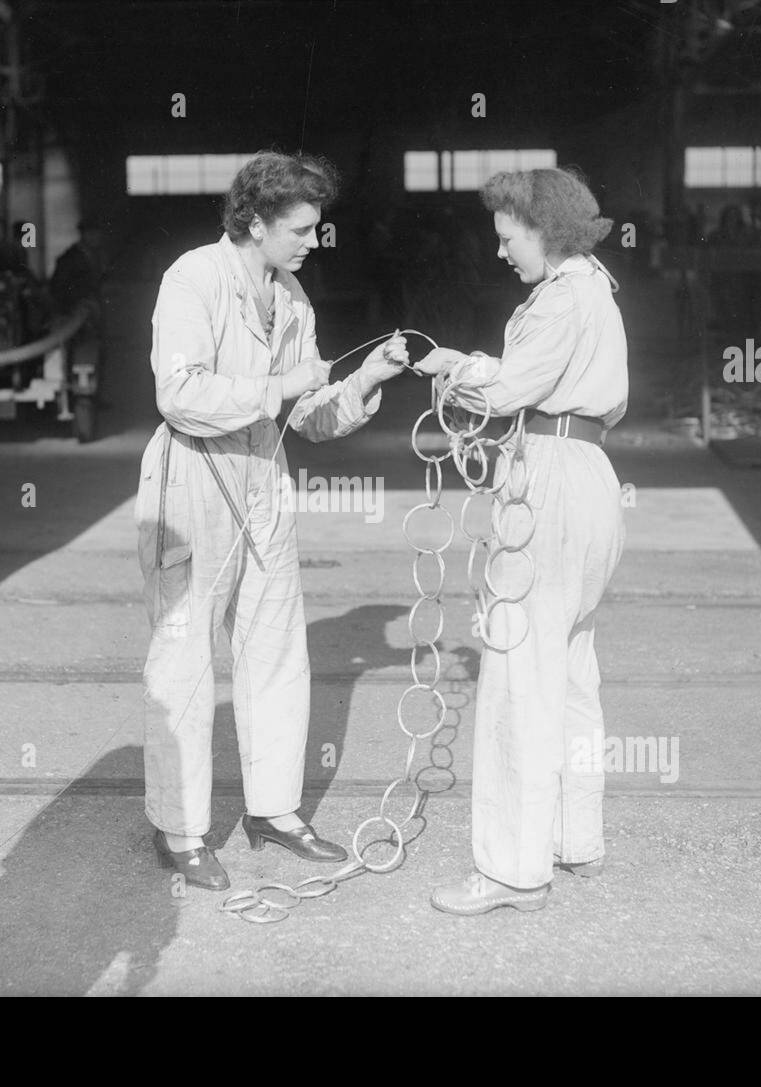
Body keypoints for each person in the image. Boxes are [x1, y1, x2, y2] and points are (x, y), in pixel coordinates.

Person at [137, 150, 408, 889]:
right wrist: (278, 385)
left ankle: (274, 810)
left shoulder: (291, 298)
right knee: (185, 653)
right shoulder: (193, 278)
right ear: (253, 222)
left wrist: (361, 384)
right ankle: (183, 828)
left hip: (263, 477)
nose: (313, 244)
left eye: (318, 229)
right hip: (192, 473)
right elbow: (179, 391)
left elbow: (309, 415)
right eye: (300, 229)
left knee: (276, 645)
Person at [415, 167, 627, 914]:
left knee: (515, 675)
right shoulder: (597, 287)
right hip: (592, 472)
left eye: (509, 238)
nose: (502, 252)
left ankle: (509, 869)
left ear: (545, 230)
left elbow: (506, 391)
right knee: (570, 669)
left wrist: (450, 366)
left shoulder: (561, 297)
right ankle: (575, 839)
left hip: (550, 479)